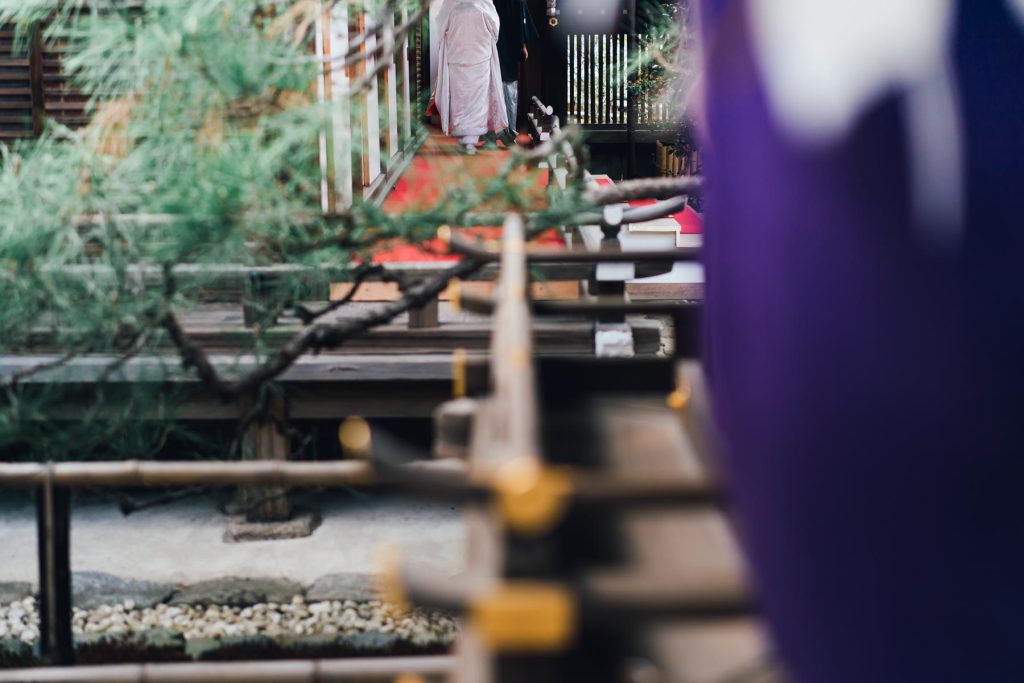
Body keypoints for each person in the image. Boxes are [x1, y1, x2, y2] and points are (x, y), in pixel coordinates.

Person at [432, 0, 509, 154]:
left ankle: (465, 139)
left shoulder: (450, 4)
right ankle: (469, 141)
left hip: (458, 56)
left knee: (461, 98)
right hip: (478, 56)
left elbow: (440, 25)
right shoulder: (483, 4)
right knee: (476, 100)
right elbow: (495, 28)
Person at [492, 0, 539, 143]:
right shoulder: (518, 1)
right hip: (512, 47)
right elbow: (521, 24)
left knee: (494, 91)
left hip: (494, 48)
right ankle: (510, 129)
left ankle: (496, 130)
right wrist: (522, 45)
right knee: (510, 92)